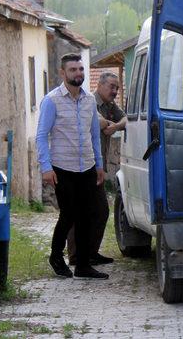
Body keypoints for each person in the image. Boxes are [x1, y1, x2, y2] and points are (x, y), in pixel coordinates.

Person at [36, 53, 108, 280]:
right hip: (62, 168)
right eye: (73, 70)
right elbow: (41, 136)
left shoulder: (89, 101)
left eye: (80, 69)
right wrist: (46, 167)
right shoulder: (52, 100)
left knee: (87, 214)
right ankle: (56, 256)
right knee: (69, 215)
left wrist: (99, 164)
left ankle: (83, 265)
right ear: (63, 73)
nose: (78, 73)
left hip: (87, 166)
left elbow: (95, 136)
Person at [66, 71, 125, 266]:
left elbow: (127, 119)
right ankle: (76, 256)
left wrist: (115, 126)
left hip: (95, 166)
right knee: (82, 211)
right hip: (81, 164)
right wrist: (108, 123)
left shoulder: (109, 105)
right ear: (99, 85)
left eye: (117, 87)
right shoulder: (89, 99)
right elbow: (97, 121)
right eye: (111, 87)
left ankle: (90, 252)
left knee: (99, 211)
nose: (115, 91)